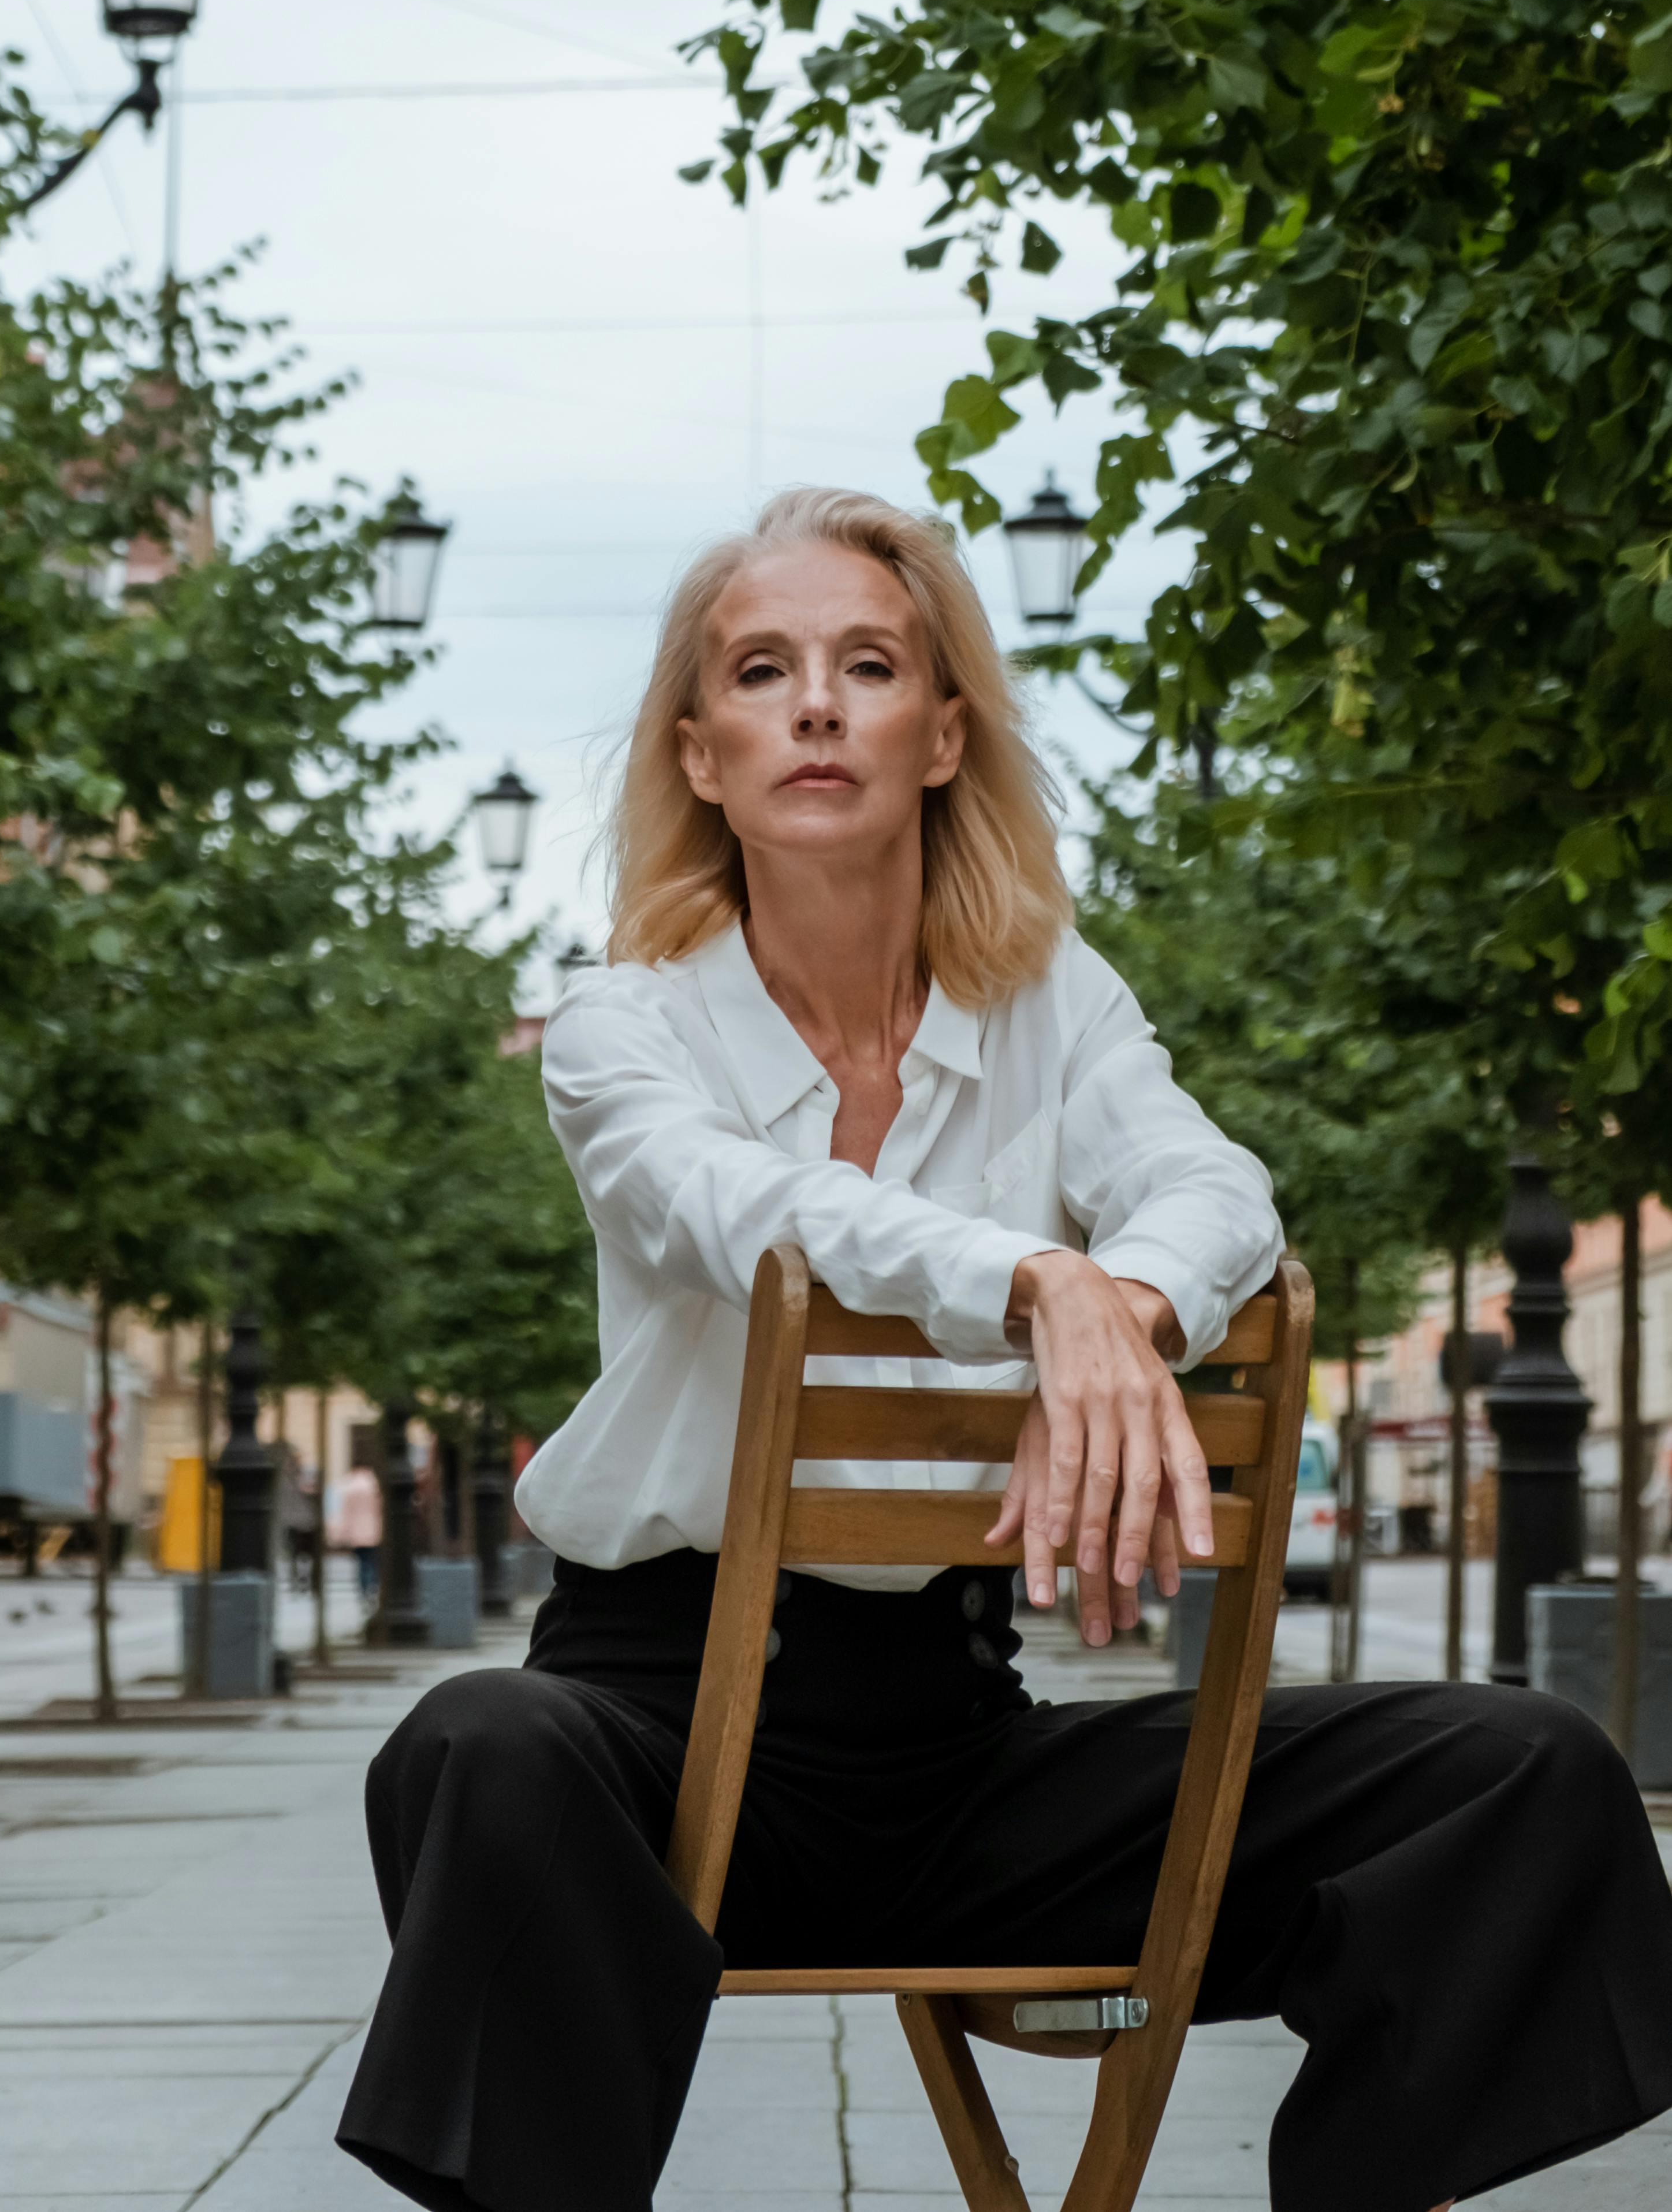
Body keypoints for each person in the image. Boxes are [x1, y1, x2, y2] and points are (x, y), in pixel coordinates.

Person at [338, 486, 1672, 2212]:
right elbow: (750, 1216)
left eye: (867, 663)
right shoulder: (620, 1025)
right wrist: (1041, 1282)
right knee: (468, 1750)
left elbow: (1213, 1191)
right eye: (761, 668)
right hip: (656, 1762)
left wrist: (1124, 1307)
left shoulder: (1050, 996)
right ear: (698, 746)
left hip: (965, 1760)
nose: (814, 702)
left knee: (1527, 1773)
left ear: (942, 728)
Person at [334, 1457, 384, 1606]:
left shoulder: (348, 1486)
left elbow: (345, 1512)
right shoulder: (374, 1485)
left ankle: (364, 1591)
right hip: (374, 1530)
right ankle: (373, 1587)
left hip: (356, 1532)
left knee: (362, 1563)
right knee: (373, 1561)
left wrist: (343, 1531)